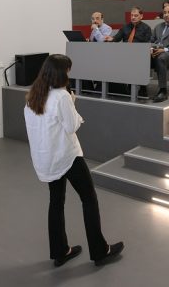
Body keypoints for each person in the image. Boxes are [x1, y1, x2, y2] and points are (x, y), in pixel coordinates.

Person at [23, 54, 124, 267]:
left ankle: (60, 251)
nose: (69, 74)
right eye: (68, 70)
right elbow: (71, 126)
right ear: (61, 73)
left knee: (56, 202)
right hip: (67, 157)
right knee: (89, 199)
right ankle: (100, 251)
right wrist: (73, 104)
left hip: (47, 158)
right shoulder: (61, 97)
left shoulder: (33, 96)